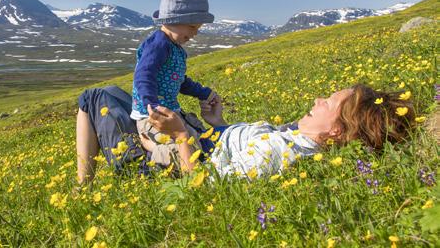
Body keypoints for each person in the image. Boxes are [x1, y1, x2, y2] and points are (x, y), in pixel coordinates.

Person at [76, 84, 415, 183]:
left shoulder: (282, 153)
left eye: (329, 102)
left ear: (337, 130)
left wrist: (180, 135)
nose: (317, 99)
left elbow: (204, 186)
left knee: (94, 97)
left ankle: (82, 186)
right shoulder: (294, 138)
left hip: (165, 162)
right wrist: (219, 122)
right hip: (200, 138)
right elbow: (234, 153)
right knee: (137, 96)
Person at [130, 0, 219, 168]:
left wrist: (203, 93)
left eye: (198, 28)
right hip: (153, 116)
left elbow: (179, 80)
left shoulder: (176, 49)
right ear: (172, 20)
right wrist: (152, 106)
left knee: (197, 143)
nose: (195, 33)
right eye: (192, 27)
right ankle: (150, 148)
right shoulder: (158, 44)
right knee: (181, 154)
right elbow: (144, 75)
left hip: (171, 112)